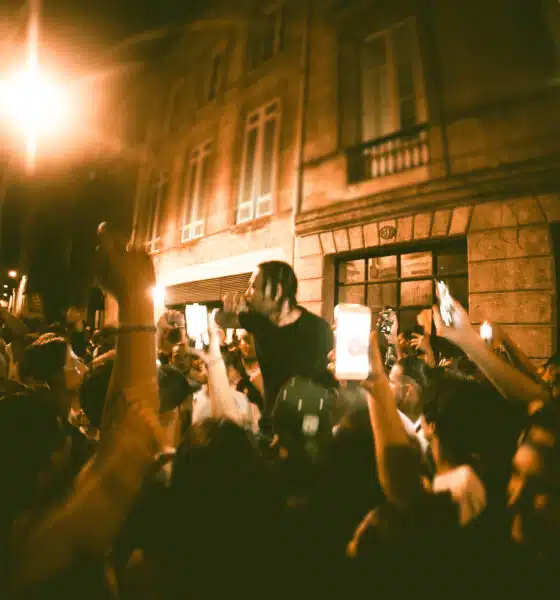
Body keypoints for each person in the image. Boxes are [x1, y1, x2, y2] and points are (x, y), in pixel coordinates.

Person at [216, 261, 335, 421]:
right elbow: (220, 318)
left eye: (253, 287)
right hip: (270, 421)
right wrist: (229, 306)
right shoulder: (259, 322)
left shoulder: (318, 329)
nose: (247, 293)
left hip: (306, 424)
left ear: (277, 291)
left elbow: (328, 383)